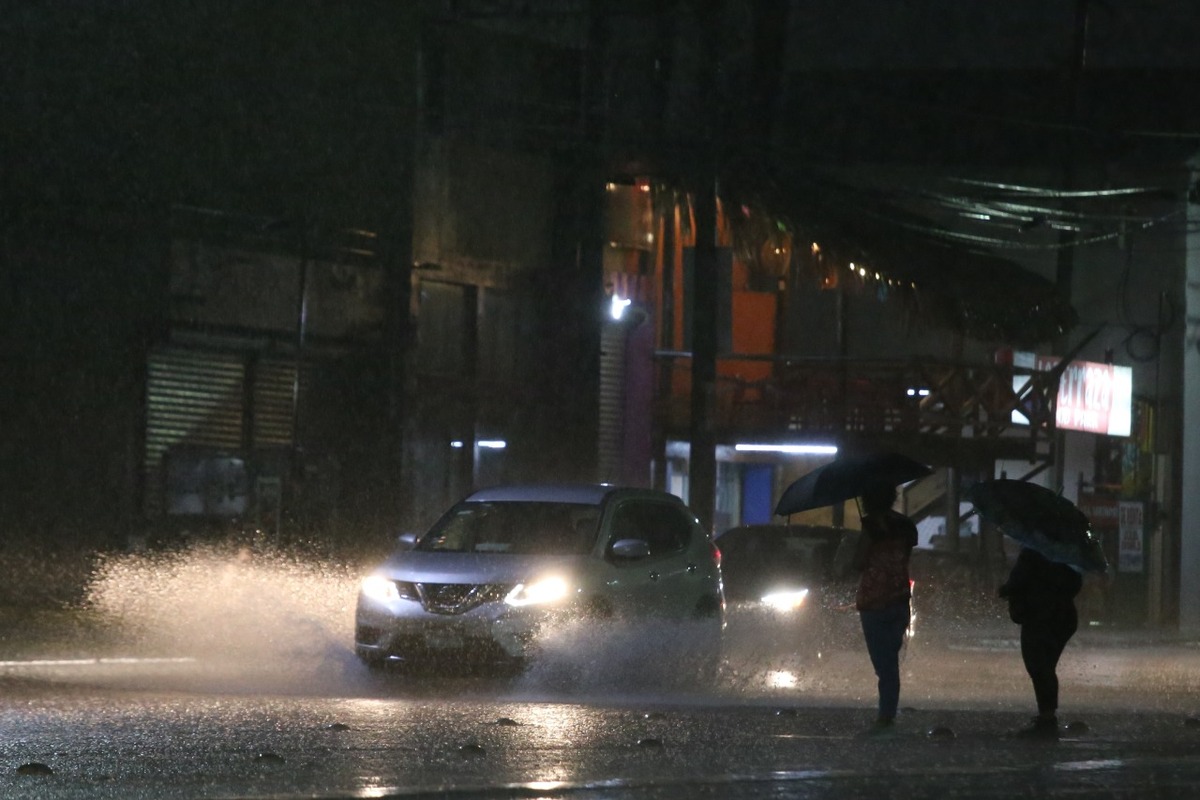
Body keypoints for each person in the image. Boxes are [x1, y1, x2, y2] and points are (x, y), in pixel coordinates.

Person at [851, 480, 919, 736]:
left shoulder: (870, 526)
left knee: (884, 663)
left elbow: (859, 562)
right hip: (899, 598)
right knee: (890, 659)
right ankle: (887, 713)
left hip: (873, 600)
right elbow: (905, 557)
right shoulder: (907, 525)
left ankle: (886, 717)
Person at [998, 546, 1083, 739]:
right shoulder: (1066, 554)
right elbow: (1075, 584)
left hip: (1038, 617)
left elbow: (1017, 581)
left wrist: (1006, 589)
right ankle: (1047, 715)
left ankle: (1047, 718)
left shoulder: (1032, 553)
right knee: (1045, 667)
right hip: (1063, 617)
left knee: (1038, 666)